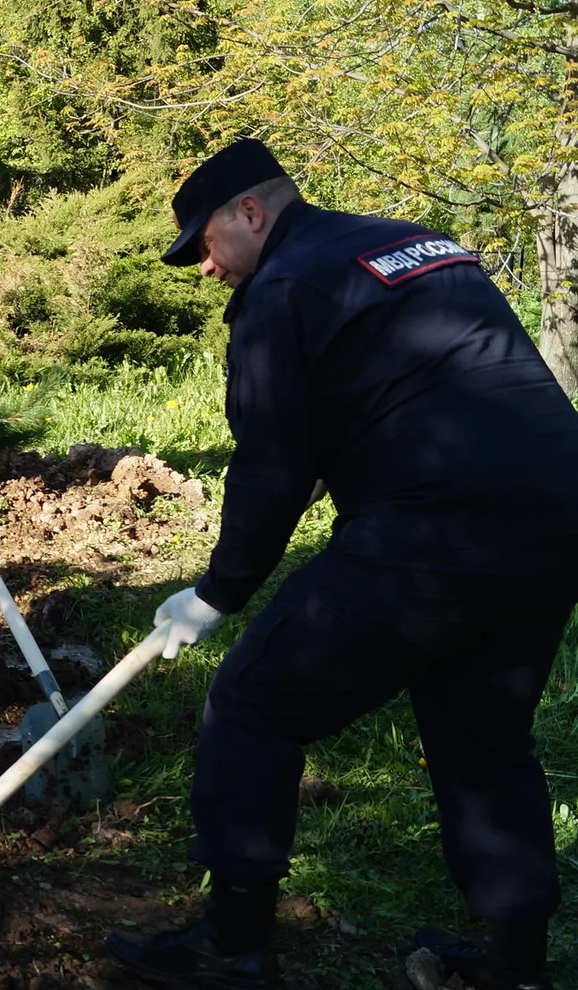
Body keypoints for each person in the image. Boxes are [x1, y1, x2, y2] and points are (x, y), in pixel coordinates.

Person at [103, 139, 578, 990]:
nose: (205, 270)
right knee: (482, 730)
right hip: (555, 517)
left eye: (205, 246)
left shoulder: (282, 287)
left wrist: (219, 593)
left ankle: (233, 944)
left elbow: (273, 464)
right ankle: (517, 969)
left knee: (253, 702)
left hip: (438, 531)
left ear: (252, 212)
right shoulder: (412, 243)